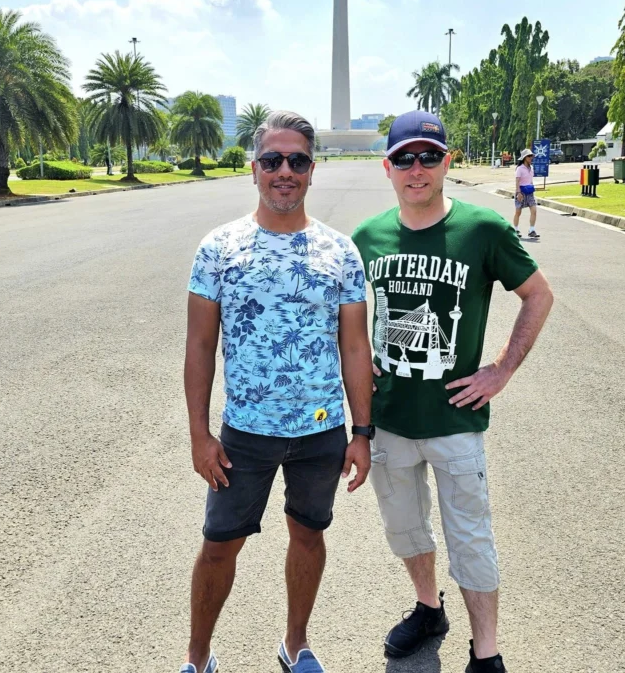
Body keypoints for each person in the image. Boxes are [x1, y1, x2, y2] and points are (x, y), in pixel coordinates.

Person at [352, 110, 554, 673]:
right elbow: (346, 320)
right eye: (404, 159)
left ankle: (485, 651)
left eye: (429, 156)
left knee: (470, 536)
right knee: (405, 527)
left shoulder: (482, 229)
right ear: (387, 167)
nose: (417, 169)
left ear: (447, 161)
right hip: (390, 418)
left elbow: (538, 295)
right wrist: (357, 368)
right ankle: (427, 607)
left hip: (455, 421)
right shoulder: (366, 239)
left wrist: (501, 370)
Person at [183, 110, 374, 673]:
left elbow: (355, 349)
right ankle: (198, 657)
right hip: (244, 433)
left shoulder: (341, 252)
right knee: (219, 545)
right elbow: (199, 346)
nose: (283, 171)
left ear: (312, 170)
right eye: (272, 160)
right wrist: (199, 433)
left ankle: (296, 644)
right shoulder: (218, 249)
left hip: (320, 432)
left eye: (296, 161)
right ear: (254, 169)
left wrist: (361, 433)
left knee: (309, 537)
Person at [514, 148, 539, 239]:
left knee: (534, 210)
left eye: (531, 156)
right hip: (521, 191)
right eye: (529, 156)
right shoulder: (520, 169)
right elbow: (517, 181)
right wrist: (518, 193)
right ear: (524, 158)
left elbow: (530, 180)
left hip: (530, 192)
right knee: (518, 212)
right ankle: (516, 229)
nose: (531, 158)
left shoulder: (531, 168)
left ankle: (531, 230)